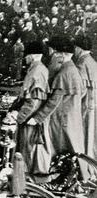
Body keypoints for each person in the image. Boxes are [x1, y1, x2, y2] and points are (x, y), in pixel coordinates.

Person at [29, 36, 86, 174]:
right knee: (73, 154)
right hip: (72, 119)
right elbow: (82, 93)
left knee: (62, 154)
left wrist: (36, 118)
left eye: (52, 51)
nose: (50, 54)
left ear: (60, 54)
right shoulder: (73, 70)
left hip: (62, 122)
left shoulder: (64, 74)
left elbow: (54, 101)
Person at [8, 41, 51, 180]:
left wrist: (17, 118)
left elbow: (32, 103)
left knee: (26, 152)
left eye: (26, 56)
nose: (25, 59)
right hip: (30, 118)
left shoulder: (36, 72)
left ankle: (25, 183)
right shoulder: (40, 68)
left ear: (31, 56)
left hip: (29, 120)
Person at [74, 35, 97, 161]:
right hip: (94, 105)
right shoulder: (93, 62)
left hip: (85, 105)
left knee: (84, 134)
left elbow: (79, 90)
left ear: (79, 48)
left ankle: (84, 163)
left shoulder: (81, 63)